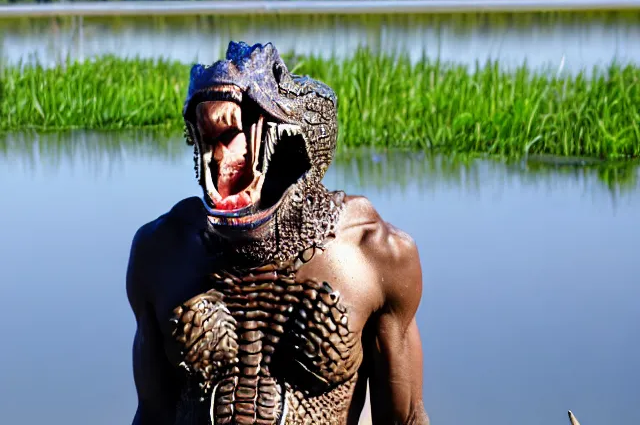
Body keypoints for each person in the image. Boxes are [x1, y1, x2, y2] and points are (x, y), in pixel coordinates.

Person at [126, 41, 429, 425]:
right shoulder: (162, 251)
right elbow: (152, 414)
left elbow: (404, 419)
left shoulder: (376, 253)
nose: (222, 155)